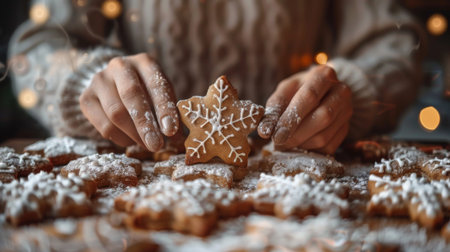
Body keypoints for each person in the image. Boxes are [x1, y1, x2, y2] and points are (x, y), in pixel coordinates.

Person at [8, 0, 424, 154]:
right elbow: (38, 45)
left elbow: (395, 44)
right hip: (144, 167)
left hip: (295, 161)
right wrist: (84, 82)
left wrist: (352, 89)